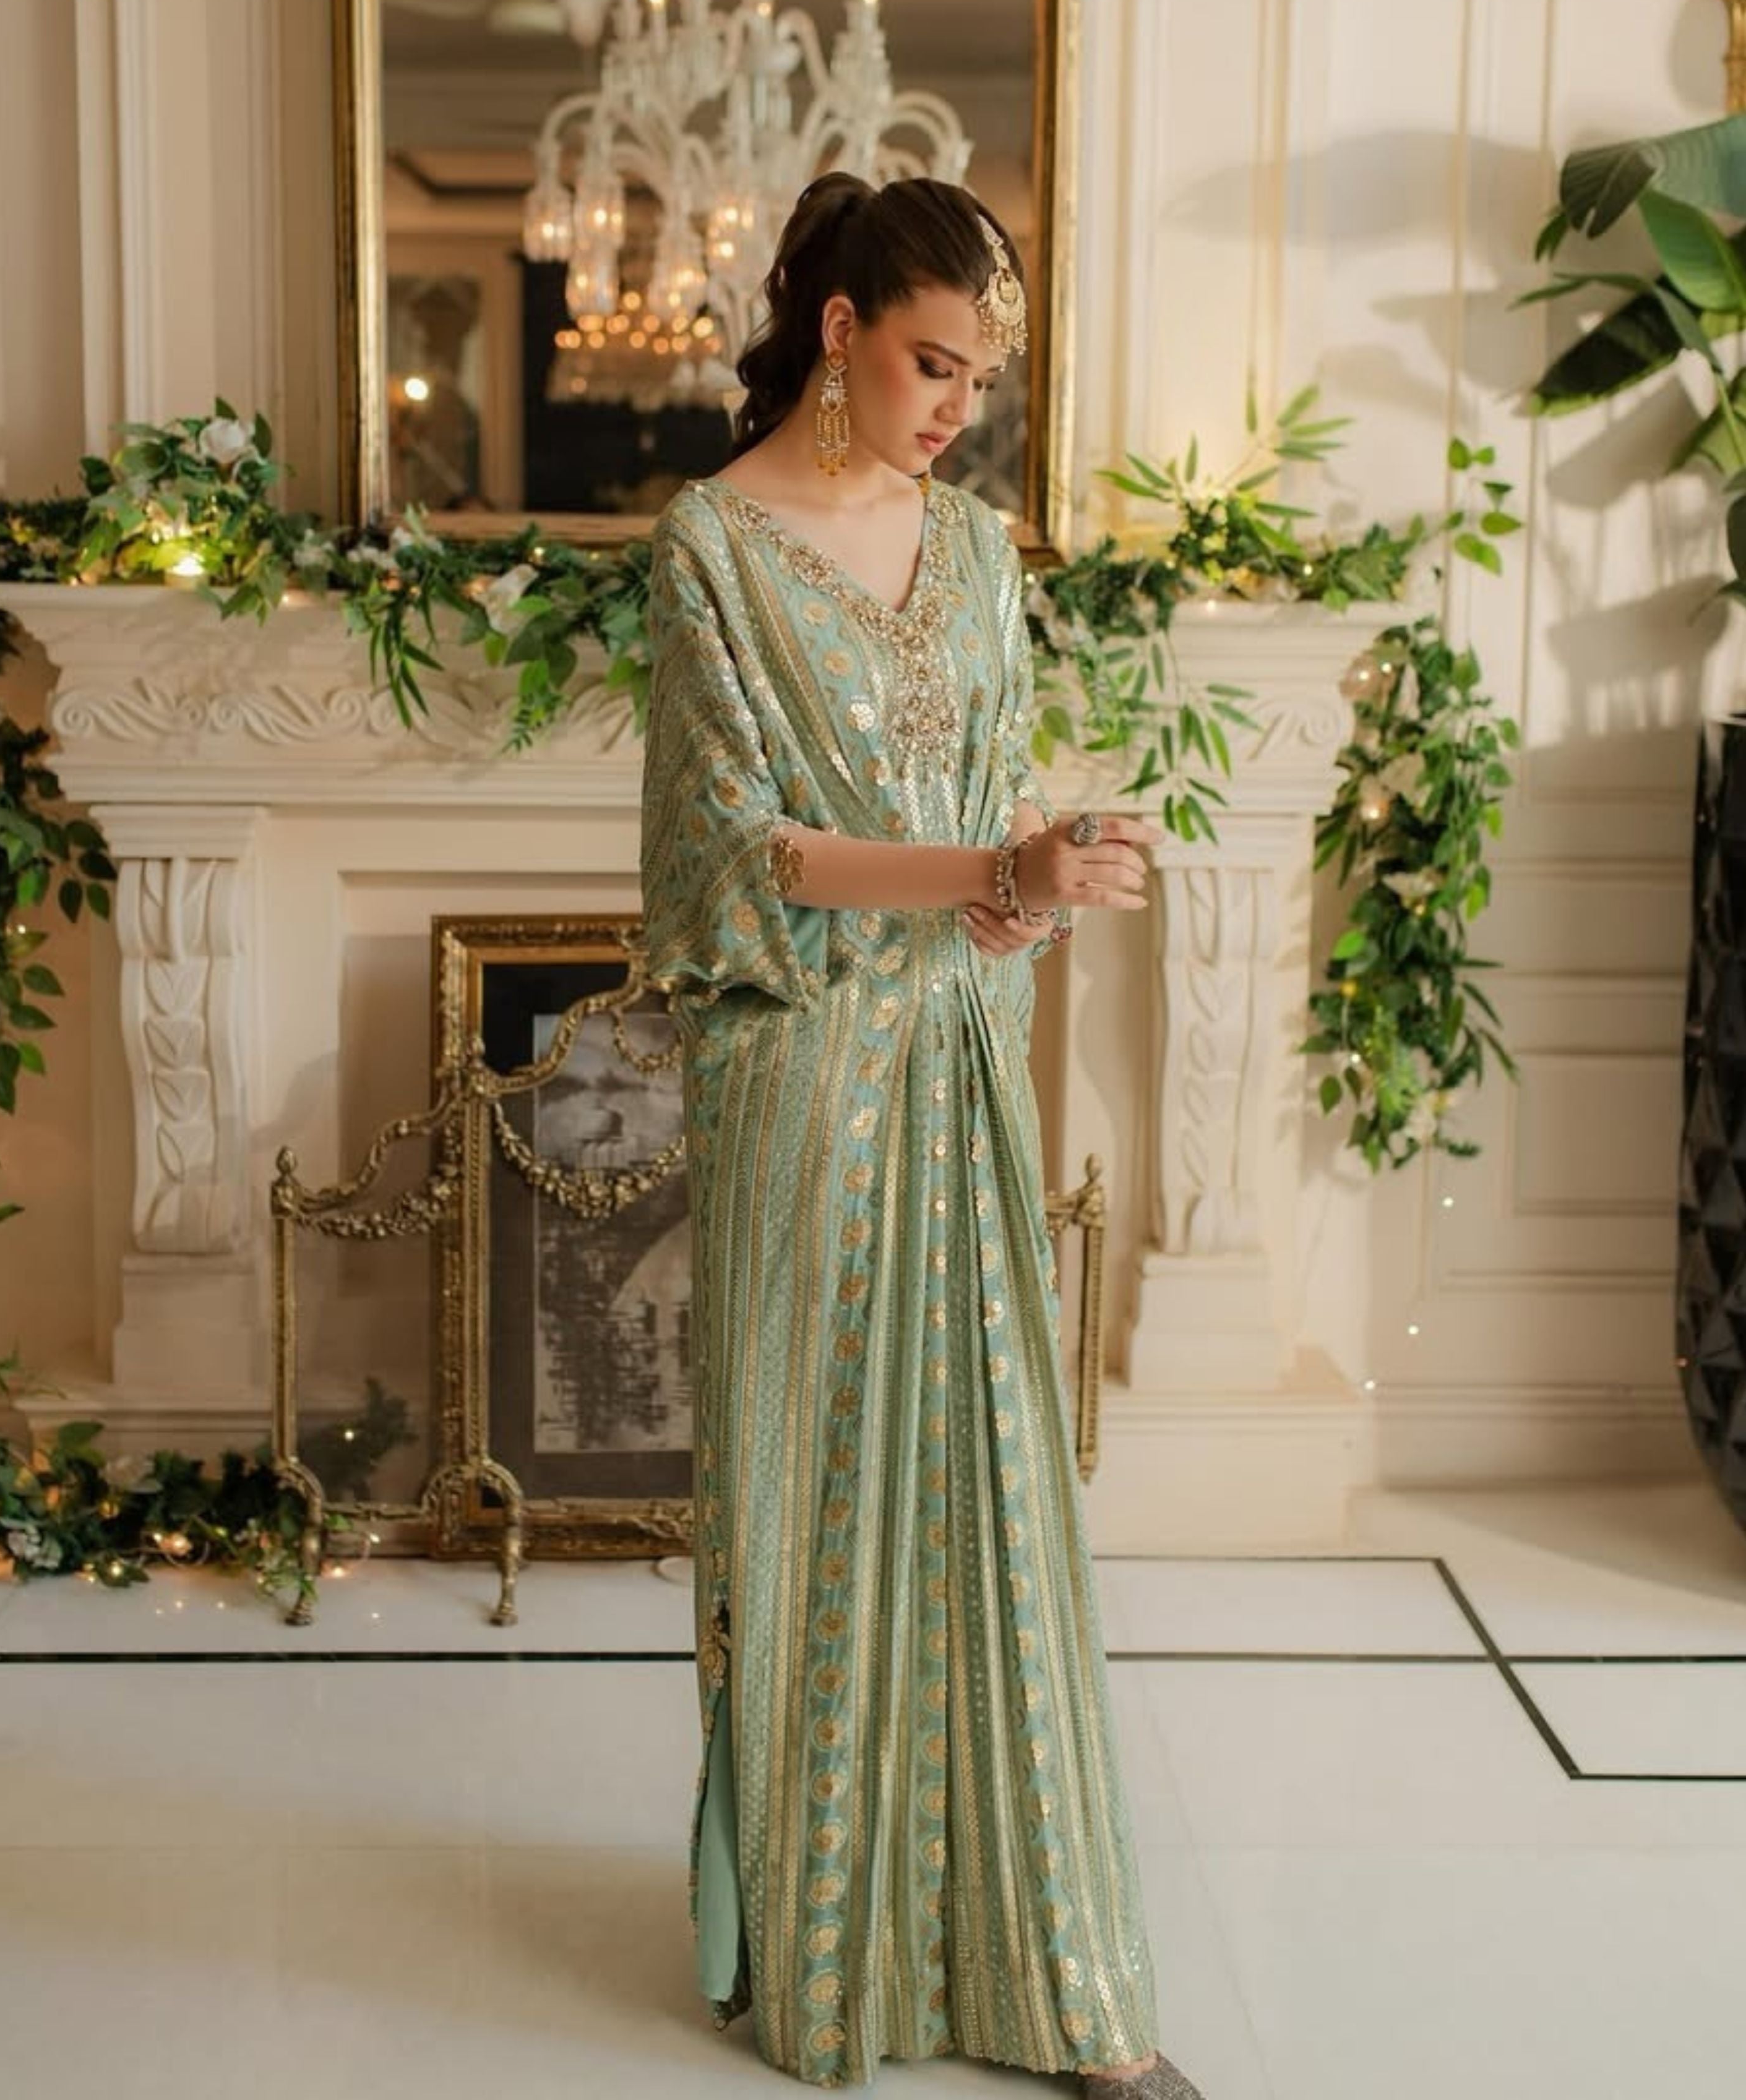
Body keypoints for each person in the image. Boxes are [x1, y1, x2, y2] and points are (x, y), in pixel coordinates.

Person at [637, 172, 1203, 2098]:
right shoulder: (709, 546)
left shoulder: (975, 553)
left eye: (981, 376)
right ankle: (829, 1960)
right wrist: (993, 859)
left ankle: (1043, 1973)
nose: (956, 405)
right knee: (811, 1508)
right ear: (841, 332)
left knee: (988, 1498)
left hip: (952, 1065)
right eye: (931, 362)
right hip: (798, 1083)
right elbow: (745, 856)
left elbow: (986, 855)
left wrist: (1048, 887)